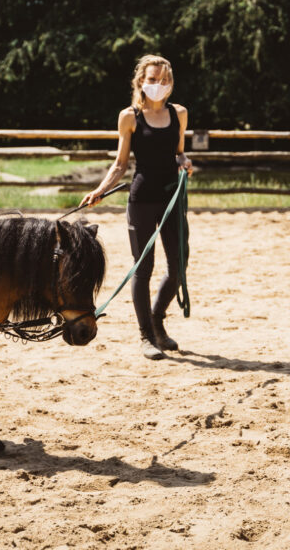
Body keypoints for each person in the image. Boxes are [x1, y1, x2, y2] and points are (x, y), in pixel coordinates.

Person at [80, 55, 193, 360]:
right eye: (153, 79)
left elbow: (179, 153)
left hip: (172, 199)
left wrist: (185, 163)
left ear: (170, 84)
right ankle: (146, 336)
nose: (158, 85)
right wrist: (99, 190)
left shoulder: (179, 113)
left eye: (164, 80)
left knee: (178, 266)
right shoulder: (129, 117)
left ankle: (157, 320)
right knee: (143, 268)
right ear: (141, 81)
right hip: (142, 199)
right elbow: (120, 164)